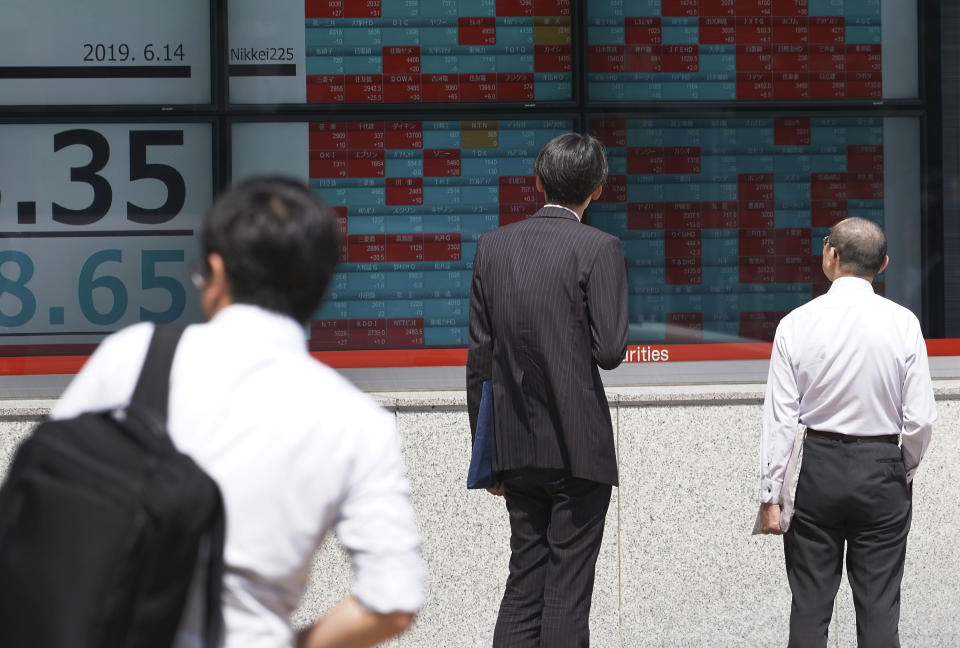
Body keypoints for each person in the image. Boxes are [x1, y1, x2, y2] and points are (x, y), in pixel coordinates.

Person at [52, 176, 426, 648]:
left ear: (216, 273)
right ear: (321, 284)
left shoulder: (133, 357)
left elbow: (44, 491)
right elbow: (392, 602)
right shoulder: (358, 423)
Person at [466, 132, 629, 648]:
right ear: (598, 189)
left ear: (537, 182)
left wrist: (486, 452)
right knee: (566, 595)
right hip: (579, 450)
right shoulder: (600, 248)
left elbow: (479, 359)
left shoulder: (493, 247)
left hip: (514, 446)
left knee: (523, 585)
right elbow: (609, 351)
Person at [757, 217, 936, 647]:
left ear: (831, 256)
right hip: (882, 468)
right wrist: (901, 468)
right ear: (885, 264)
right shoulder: (904, 323)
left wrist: (771, 494)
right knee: (879, 609)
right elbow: (920, 420)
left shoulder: (796, 323)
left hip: (818, 467)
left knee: (809, 606)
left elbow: (781, 417)